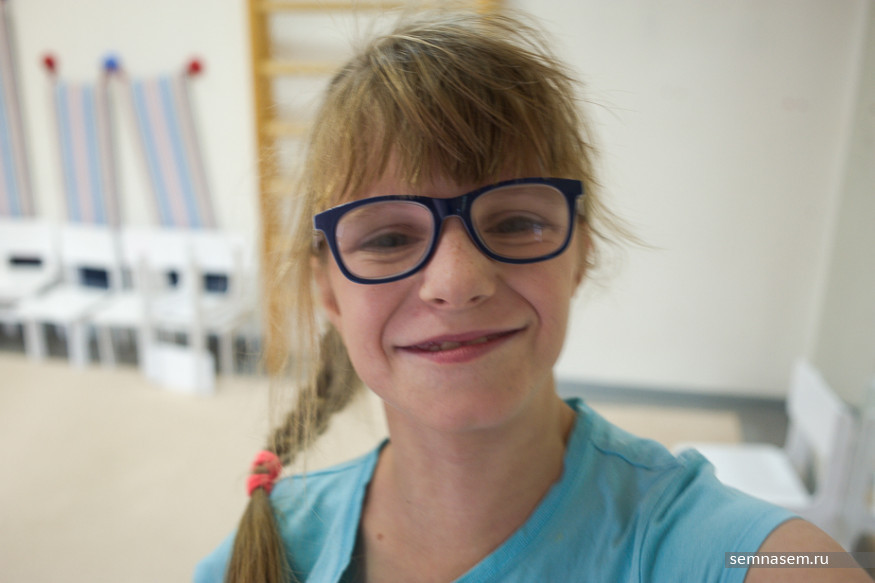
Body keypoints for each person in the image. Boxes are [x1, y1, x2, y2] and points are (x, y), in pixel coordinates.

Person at [195, 10, 871, 583]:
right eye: (390, 238)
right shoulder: (267, 551)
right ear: (327, 290)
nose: (456, 282)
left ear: (582, 253)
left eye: (515, 223)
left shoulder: (723, 550)